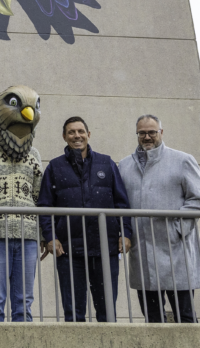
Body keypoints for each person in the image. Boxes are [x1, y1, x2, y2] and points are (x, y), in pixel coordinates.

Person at [37, 116, 133, 322]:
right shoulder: (54, 167)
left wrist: (125, 233)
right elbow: (45, 206)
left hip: (105, 249)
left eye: (80, 131)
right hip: (69, 252)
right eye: (71, 132)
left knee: (107, 313)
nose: (76, 136)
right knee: (73, 315)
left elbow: (122, 203)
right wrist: (50, 236)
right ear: (64, 136)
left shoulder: (106, 163)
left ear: (88, 135)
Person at [117, 114, 200, 323]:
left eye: (152, 132)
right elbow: (120, 204)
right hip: (143, 251)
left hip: (176, 252)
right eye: (142, 133)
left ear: (161, 132)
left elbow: (196, 201)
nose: (147, 137)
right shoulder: (123, 166)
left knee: (185, 317)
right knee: (152, 319)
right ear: (137, 134)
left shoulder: (183, 160)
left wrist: (177, 231)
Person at [0, 85, 43, 322]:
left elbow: (39, 194)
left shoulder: (34, 154)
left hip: (28, 234)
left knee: (24, 301)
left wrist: (44, 234)